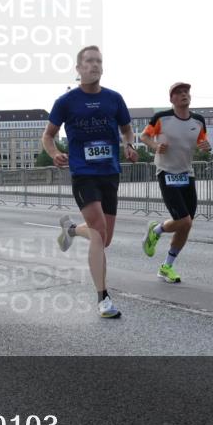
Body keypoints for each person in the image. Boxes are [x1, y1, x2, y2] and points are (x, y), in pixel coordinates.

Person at [44, 45, 138, 319]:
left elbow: (127, 129)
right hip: (83, 173)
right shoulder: (66, 101)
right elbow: (48, 136)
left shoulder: (114, 99)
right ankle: (103, 298)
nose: (94, 65)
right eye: (89, 61)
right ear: (78, 68)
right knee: (98, 231)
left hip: (110, 172)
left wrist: (130, 146)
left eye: (98, 61)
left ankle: (71, 230)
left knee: (104, 239)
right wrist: (54, 154)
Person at [139, 82, 211, 283]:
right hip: (166, 172)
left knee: (186, 225)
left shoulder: (198, 120)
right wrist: (155, 145)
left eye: (186, 91)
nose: (183, 95)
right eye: (178, 93)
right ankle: (155, 231)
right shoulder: (161, 118)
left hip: (187, 174)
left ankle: (166, 266)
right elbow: (144, 136)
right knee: (184, 220)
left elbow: (201, 141)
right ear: (171, 99)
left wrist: (205, 146)